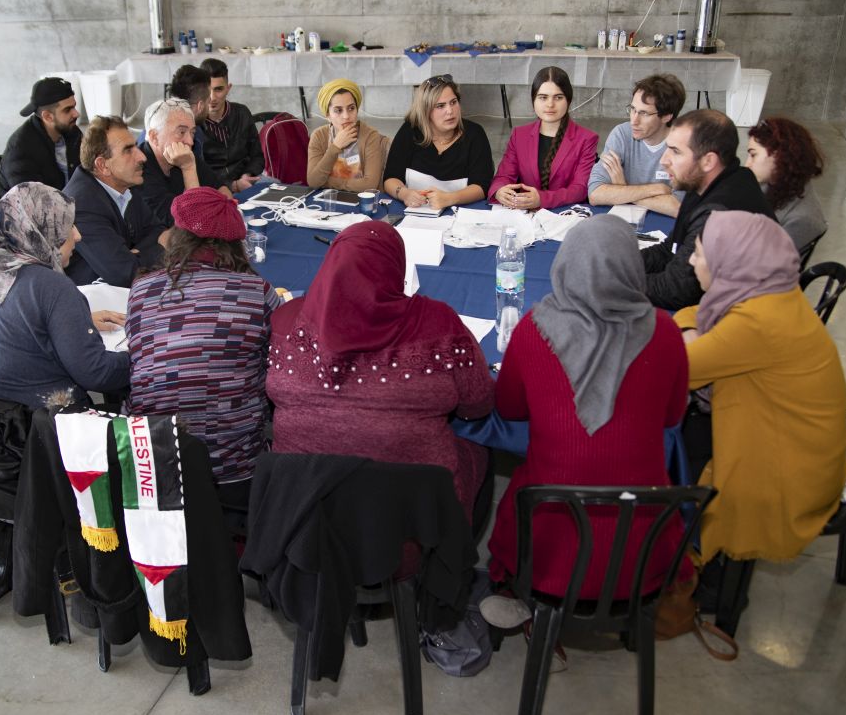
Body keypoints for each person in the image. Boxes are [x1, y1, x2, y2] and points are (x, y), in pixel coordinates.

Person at [481, 216, 691, 640]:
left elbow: (509, 409)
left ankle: (523, 601)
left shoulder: (533, 330)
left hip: (548, 544)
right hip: (642, 549)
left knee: (524, 476)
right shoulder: (666, 333)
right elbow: (671, 419)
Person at [267, 221, 494, 526]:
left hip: (304, 520)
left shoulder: (285, 321)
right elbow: (478, 403)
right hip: (413, 526)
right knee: (481, 452)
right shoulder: (439, 324)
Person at [674, 210, 846, 564]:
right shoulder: (769, 291)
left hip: (787, 473)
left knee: (663, 461)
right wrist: (686, 330)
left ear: (730, 263)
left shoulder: (756, 322)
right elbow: (692, 313)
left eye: (699, 254)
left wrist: (685, 332)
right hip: (806, 441)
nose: (692, 262)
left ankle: (698, 572)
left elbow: (680, 368)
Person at [126, 187, 279, 492]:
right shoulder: (256, 290)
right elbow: (275, 360)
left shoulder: (141, 290)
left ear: (179, 236)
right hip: (236, 464)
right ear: (236, 243)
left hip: (155, 464)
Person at [0, 183, 130, 409]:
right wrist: (143, 354)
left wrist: (67, 323)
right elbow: (98, 374)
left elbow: (6, 322)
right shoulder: (52, 287)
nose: (77, 235)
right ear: (38, 231)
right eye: (66, 226)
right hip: (38, 427)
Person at [641, 109, 773, 310]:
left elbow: (675, 290)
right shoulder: (707, 182)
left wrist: (611, 280)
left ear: (708, 161)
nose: (663, 160)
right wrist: (620, 263)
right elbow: (671, 249)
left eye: (676, 151)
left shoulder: (718, 212)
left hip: (736, 324)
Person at [63, 116, 171, 287]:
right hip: (94, 304)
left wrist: (135, 254)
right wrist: (155, 249)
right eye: (128, 150)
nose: (142, 156)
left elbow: (159, 230)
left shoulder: (125, 187)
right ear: (102, 165)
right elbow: (126, 273)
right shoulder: (81, 205)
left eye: (136, 146)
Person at [488, 66, 599, 210]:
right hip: (523, 214)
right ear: (533, 100)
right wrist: (499, 191)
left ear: (568, 101)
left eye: (558, 97)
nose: (550, 104)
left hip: (564, 214)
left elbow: (580, 189)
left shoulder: (586, 139)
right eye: (543, 97)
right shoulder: (519, 135)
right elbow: (503, 176)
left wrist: (542, 199)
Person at [383, 75, 494, 211]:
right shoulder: (410, 130)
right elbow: (390, 178)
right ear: (425, 111)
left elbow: (482, 186)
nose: (450, 111)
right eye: (440, 106)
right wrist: (405, 194)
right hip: (415, 214)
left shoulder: (475, 134)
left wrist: (449, 198)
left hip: (461, 214)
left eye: (453, 102)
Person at [588, 74, 687, 216]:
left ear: (667, 116)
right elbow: (595, 194)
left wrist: (623, 188)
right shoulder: (622, 134)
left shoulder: (682, 145)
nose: (634, 120)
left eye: (644, 113)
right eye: (633, 109)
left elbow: (678, 208)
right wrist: (656, 189)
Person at [134, 98, 229, 227]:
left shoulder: (184, 155)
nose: (190, 141)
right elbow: (191, 222)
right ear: (154, 137)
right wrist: (188, 168)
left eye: (192, 133)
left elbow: (222, 190)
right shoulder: (139, 169)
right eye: (181, 132)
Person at [746, 117, 828, 254]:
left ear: (779, 156)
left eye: (753, 155)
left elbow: (759, 263)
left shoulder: (802, 220)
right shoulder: (775, 186)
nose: (747, 163)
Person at [0, 77, 82, 196]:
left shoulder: (71, 131)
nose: (76, 113)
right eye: (68, 110)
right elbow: (33, 203)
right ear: (47, 116)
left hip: (66, 203)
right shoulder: (21, 150)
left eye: (74, 106)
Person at [306, 79, 388, 193]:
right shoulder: (319, 136)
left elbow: (370, 185)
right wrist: (335, 147)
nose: (346, 116)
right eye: (338, 110)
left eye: (351, 108)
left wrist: (326, 182)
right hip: (330, 200)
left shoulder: (370, 136)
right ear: (327, 115)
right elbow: (313, 181)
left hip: (363, 202)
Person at [199, 58, 265, 193]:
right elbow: (197, 172)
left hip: (247, 181)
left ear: (228, 88)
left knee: (279, 188)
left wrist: (247, 175)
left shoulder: (242, 113)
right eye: (207, 90)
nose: (212, 97)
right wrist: (232, 185)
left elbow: (257, 155)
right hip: (211, 189)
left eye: (218, 89)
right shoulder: (194, 123)